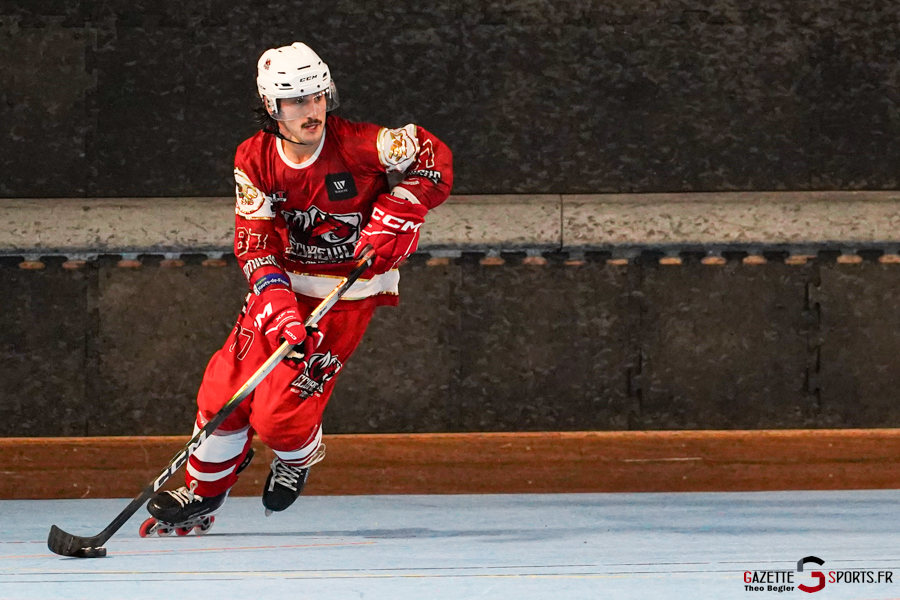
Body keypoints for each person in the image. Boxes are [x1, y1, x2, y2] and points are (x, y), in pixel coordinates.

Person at [141, 41, 453, 534]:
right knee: (224, 393)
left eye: (318, 96)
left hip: (346, 294)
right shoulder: (253, 158)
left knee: (278, 418)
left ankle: (296, 456)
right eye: (297, 101)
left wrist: (404, 207)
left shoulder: (366, 143)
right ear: (272, 106)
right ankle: (203, 492)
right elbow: (255, 243)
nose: (312, 111)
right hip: (284, 288)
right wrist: (278, 304)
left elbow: (432, 155)